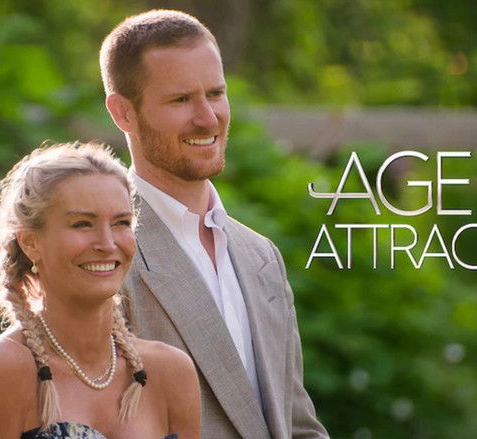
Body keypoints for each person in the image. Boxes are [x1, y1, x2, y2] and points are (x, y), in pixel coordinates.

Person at [100, 10, 329, 438]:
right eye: (181, 100)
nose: (208, 118)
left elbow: (297, 425)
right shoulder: (104, 255)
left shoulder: (261, 256)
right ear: (123, 113)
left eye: (216, 94)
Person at [0, 142, 201, 439]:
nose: (107, 243)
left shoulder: (170, 371)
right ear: (30, 242)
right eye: (82, 224)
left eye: (121, 223)